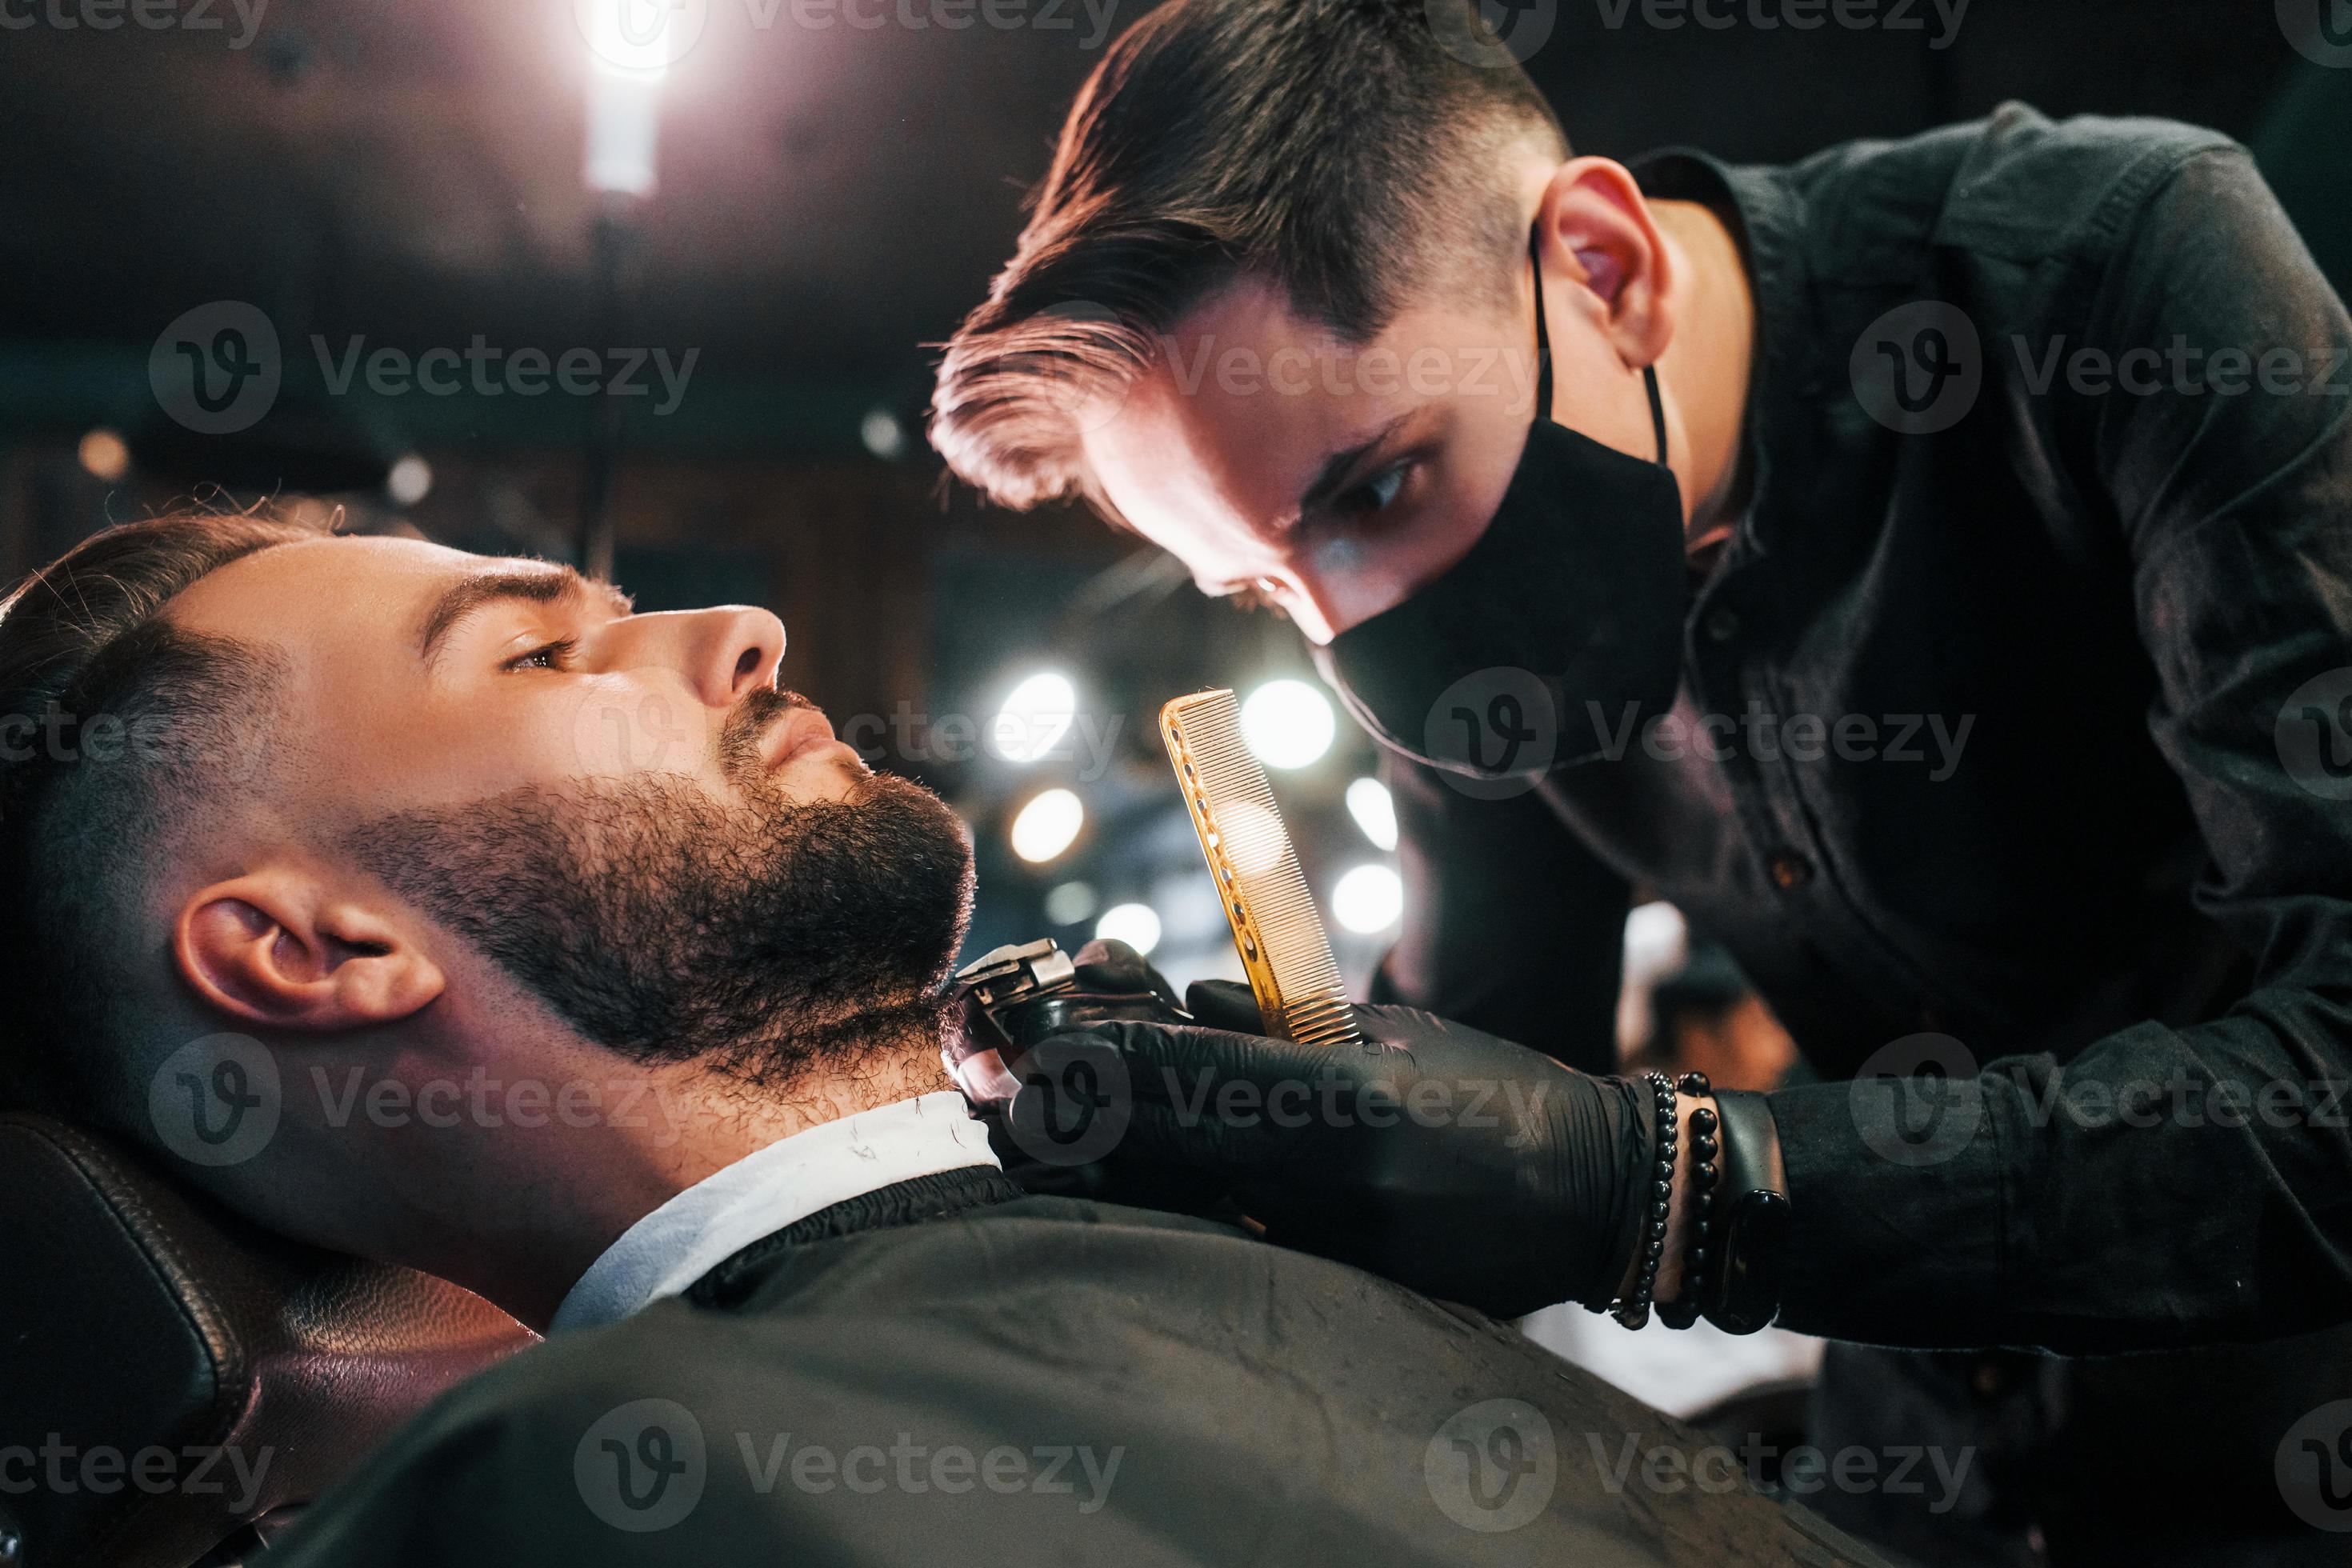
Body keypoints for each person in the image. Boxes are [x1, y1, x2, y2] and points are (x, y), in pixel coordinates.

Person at [928, 0, 2352, 1560]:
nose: (1354, 636)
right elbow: (1479, 1105)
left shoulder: (2119, 271)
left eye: (1382, 485)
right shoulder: (1445, 623)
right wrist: (1254, 1140)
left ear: (1603, 268)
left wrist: (1680, 1188)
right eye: (1267, 588)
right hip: (1918, 1471)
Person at [0, 510, 1885, 1566]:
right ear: (309, 946)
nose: (738, 622)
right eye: (537, 651)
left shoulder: (1198, 1206)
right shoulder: (563, 1505)